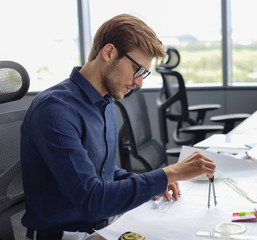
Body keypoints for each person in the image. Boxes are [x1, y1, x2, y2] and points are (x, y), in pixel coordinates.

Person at [21, 14, 216, 240]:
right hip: (66, 235)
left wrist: (156, 183)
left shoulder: (103, 102)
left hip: (101, 226)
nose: (139, 82)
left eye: (144, 74)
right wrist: (170, 173)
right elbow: (92, 200)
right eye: (137, 69)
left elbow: (104, 172)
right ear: (109, 52)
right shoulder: (55, 110)